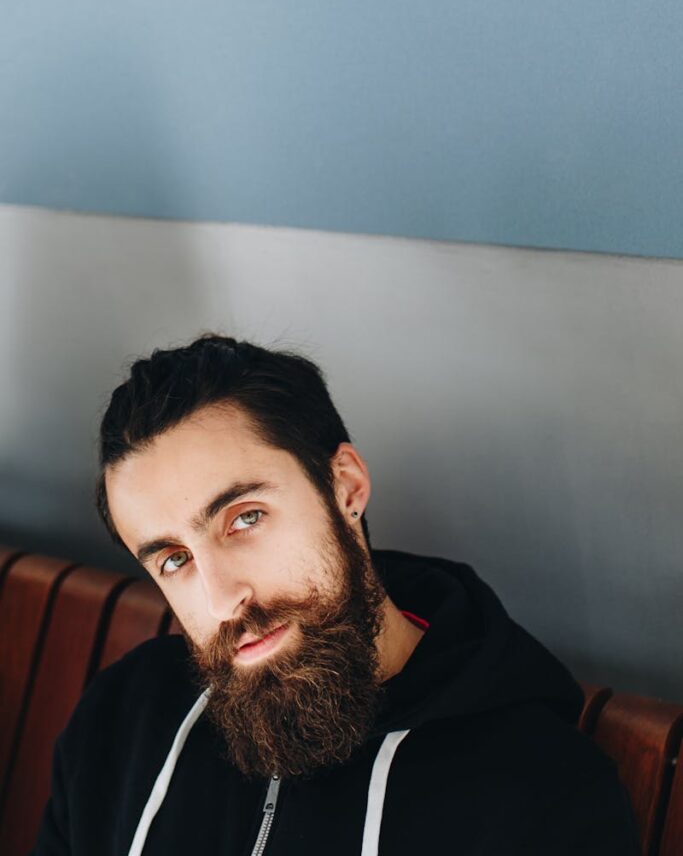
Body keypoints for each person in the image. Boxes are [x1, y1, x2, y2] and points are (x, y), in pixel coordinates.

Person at [33, 335, 639, 855]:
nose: (223, 600)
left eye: (244, 519)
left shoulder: (543, 795)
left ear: (345, 486)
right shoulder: (120, 721)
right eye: (174, 559)